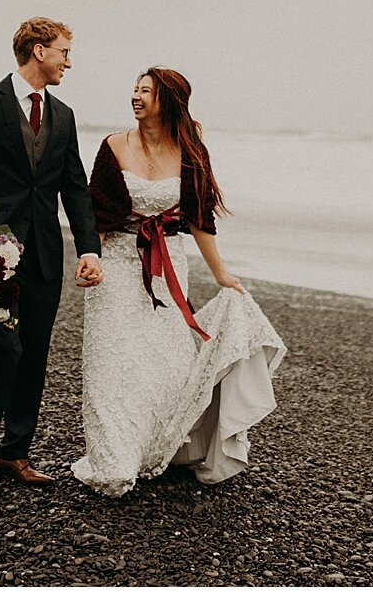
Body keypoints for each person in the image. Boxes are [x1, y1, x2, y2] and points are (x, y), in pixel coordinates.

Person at [71, 68, 286, 497]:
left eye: (145, 91)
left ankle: (154, 446)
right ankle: (113, 458)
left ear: (167, 100)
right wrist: (89, 256)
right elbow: (97, 212)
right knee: (112, 360)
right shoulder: (113, 146)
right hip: (116, 263)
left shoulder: (190, 152)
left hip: (168, 265)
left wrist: (221, 273)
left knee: (164, 361)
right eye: (134, 88)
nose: (135, 96)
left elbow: (200, 220)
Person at [0, 17, 103, 486]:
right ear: (38, 50)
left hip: (46, 253)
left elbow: (74, 187)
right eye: (64, 51)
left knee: (34, 353)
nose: (69, 61)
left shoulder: (64, 115)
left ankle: (15, 454)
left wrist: (89, 249)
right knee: (1, 347)